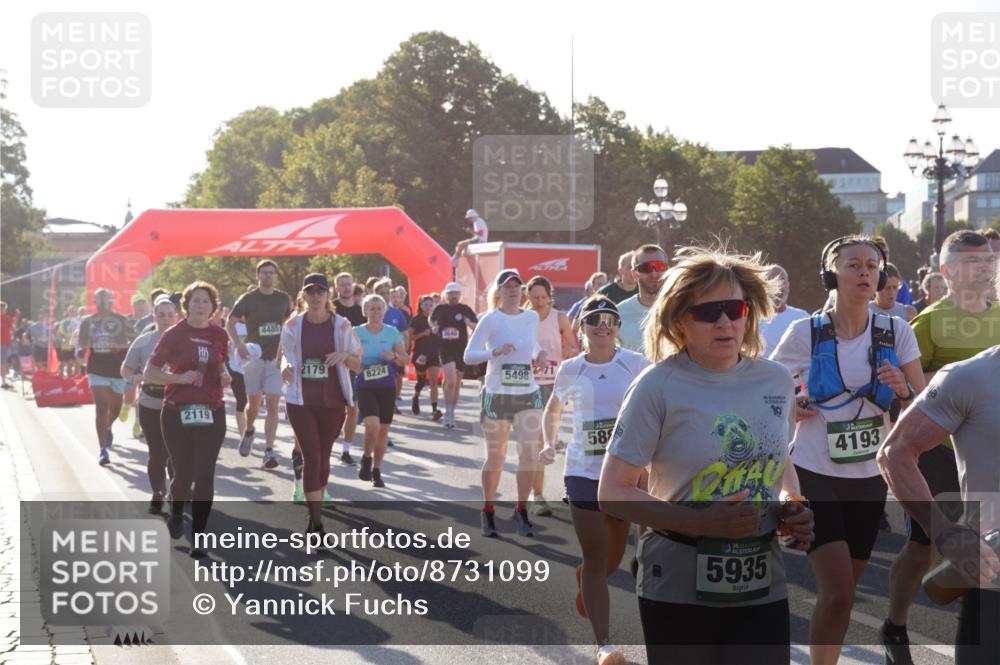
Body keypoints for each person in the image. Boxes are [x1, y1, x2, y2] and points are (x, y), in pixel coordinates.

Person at [599, 246, 814, 665]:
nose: (724, 321)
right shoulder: (656, 386)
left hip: (761, 575)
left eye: (735, 308)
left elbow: (778, 457)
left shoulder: (775, 379)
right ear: (680, 322)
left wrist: (792, 502)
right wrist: (699, 522)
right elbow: (612, 491)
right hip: (678, 577)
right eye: (708, 312)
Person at [771, 235, 924, 665]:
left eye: (872, 266)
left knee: (843, 595)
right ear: (830, 275)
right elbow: (770, 390)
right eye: (853, 264)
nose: (864, 272)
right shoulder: (805, 332)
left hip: (870, 477)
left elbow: (926, 405)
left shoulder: (896, 330)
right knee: (837, 595)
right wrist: (793, 403)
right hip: (814, 471)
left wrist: (904, 389)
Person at [880, 229, 999, 663]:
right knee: (921, 546)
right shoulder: (932, 327)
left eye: (988, 261)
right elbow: (898, 434)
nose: (984, 268)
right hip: (943, 451)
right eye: (973, 261)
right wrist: (946, 532)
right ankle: (895, 622)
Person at [540, 296, 649, 665]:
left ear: (618, 327)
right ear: (581, 327)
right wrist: (547, 443)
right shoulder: (571, 369)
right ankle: (604, 643)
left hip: (626, 472)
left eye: (609, 320)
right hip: (583, 471)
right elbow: (553, 410)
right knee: (596, 555)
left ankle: (588, 578)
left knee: (611, 561)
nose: (602, 326)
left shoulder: (635, 364)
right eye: (593, 320)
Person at [145, 282, 231, 558]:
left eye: (206, 301)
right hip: (176, 411)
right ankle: (177, 508)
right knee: (183, 474)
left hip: (212, 409)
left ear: (213, 306)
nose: (201, 306)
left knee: (205, 474)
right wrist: (179, 378)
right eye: (196, 301)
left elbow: (221, 362)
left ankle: (200, 537)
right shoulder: (174, 334)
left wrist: (225, 374)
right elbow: (150, 372)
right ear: (187, 305)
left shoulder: (220, 334)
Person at [464, 269, 548, 538]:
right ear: (499, 291)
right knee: (497, 457)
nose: (513, 290)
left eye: (517, 286)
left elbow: (531, 344)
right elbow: (468, 356)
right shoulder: (490, 319)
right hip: (497, 394)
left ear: (522, 290)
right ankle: (488, 510)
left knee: (529, 454)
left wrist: (540, 352)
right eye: (507, 286)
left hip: (527, 392)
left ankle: (521, 509)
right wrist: (493, 352)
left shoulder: (532, 317)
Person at [280, 274, 361, 532]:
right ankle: (316, 522)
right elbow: (285, 357)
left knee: (324, 457)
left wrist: (344, 356)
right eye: (310, 292)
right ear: (303, 296)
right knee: (312, 457)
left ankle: (315, 515)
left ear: (328, 295)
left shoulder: (343, 326)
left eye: (320, 291)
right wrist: (286, 369)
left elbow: (359, 363)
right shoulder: (292, 326)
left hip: (333, 400)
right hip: (300, 400)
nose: (315, 296)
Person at [228, 259, 291, 469]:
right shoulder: (248, 298)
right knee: (253, 406)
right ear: (258, 276)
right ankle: (249, 429)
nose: (268, 276)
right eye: (264, 272)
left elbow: (291, 324)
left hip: (276, 359)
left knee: (273, 404)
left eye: (271, 272)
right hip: (254, 358)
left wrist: (290, 351)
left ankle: (269, 450)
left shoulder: (283, 298)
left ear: (275, 275)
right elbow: (230, 322)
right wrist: (239, 344)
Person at [525, 276, 578, 516]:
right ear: (528, 296)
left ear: (550, 296)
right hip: (528, 385)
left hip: (554, 386)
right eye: (535, 298)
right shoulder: (523, 318)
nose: (539, 302)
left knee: (550, 440)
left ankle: (563, 488)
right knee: (537, 441)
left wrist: (569, 349)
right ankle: (537, 495)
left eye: (543, 298)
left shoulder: (559, 317)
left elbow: (573, 348)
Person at [121, 295, 178, 513]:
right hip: (150, 402)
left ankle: (177, 489)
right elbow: (125, 369)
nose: (165, 319)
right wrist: (134, 376)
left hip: (178, 404)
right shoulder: (143, 341)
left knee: (178, 451)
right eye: (161, 315)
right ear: (154, 316)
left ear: (176, 317)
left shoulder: (184, 340)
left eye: (170, 315)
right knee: (158, 452)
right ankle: (157, 492)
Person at [353, 294, 407, 488]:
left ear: (384, 311)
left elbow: (404, 359)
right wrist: (356, 364)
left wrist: (393, 356)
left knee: (383, 430)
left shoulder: (392, 333)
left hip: (386, 385)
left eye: (379, 309)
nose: (376, 312)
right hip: (365, 385)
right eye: (372, 309)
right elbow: (349, 357)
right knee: (372, 426)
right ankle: (366, 457)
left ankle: (376, 469)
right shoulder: (356, 332)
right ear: (365, 311)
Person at [78, 289, 135, 466]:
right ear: (95, 302)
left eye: (106, 300)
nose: (103, 304)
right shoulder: (87, 322)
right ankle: (103, 450)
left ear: (111, 301)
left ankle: (108, 426)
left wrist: (120, 347)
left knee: (115, 410)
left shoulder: (122, 320)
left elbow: (134, 342)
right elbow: (82, 344)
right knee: (101, 407)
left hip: (117, 371)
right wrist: (87, 346)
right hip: (97, 370)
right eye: (99, 301)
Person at [431, 282, 478, 428]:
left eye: (456, 294)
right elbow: (431, 320)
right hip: (445, 348)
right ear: (446, 295)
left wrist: (469, 323)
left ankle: (451, 411)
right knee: (450, 381)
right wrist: (434, 327)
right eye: (451, 294)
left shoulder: (465, 309)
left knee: (456, 383)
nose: (453, 297)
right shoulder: (440, 309)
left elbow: (476, 326)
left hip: (461, 349)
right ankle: (447, 412)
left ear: (459, 295)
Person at [333, 273, 366, 466]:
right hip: (333, 362)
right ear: (336, 288)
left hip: (353, 363)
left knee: (352, 407)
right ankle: (329, 441)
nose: (346, 288)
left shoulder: (360, 311)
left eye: (348, 284)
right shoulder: (330, 309)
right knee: (336, 409)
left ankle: (346, 450)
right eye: (342, 285)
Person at [616, 245, 668, 355]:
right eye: (646, 268)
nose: (654, 274)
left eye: (659, 266)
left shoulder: (682, 310)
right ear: (634, 274)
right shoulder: (619, 313)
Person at [374, 278, 409, 411]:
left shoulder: (396, 313)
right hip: (373, 356)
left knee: (393, 379)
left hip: (392, 355)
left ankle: (391, 402)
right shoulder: (368, 311)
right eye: (381, 293)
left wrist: (403, 352)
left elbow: (405, 334)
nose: (384, 296)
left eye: (386, 293)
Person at [760, 265, 809, 354]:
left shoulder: (803, 318)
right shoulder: (751, 319)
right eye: (772, 280)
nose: (778, 285)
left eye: (782, 280)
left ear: (788, 285)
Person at [409, 295, 443, 420]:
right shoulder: (416, 319)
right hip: (420, 353)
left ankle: (434, 409)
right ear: (421, 305)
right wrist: (423, 333)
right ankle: (416, 396)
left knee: (433, 382)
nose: (428, 307)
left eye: (430, 304)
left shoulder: (437, 319)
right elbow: (410, 337)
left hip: (434, 353)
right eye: (425, 304)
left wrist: (438, 331)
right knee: (421, 381)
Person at [872, 236, 913, 305]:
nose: (884, 256)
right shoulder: (864, 281)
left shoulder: (902, 286)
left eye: (886, 253)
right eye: (880, 253)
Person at [54, 305, 80, 378]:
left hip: (77, 346)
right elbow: (59, 334)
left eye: (74, 311)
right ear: (68, 312)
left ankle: (75, 380)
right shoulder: (64, 322)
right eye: (71, 311)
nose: (73, 312)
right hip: (67, 346)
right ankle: (70, 381)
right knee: (69, 364)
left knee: (77, 364)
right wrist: (62, 339)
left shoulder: (79, 321)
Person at [0, 302, 20, 389]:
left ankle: (3, 380)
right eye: (3, 308)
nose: (4, 310)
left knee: (4, 362)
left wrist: (16, 316)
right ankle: (3, 380)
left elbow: (13, 326)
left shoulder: (7, 318)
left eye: (4, 309)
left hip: (6, 343)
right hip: (2, 343)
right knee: (2, 362)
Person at [26, 307, 52, 372]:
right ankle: (40, 377)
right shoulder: (33, 326)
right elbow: (28, 335)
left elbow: (55, 335)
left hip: (46, 347)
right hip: (37, 347)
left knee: (46, 364)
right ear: (39, 315)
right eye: (41, 314)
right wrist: (31, 341)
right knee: (38, 364)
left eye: (45, 314)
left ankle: (45, 377)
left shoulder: (50, 326)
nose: (43, 316)